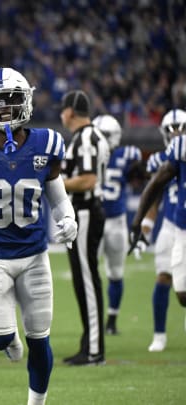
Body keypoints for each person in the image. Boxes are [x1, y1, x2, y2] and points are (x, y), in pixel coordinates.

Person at [0, 67, 77, 405]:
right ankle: (9, 341)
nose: (4, 107)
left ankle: (36, 402)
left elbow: (57, 195)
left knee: (40, 337)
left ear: (26, 102)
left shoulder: (46, 143)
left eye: (11, 99)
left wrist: (68, 217)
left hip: (34, 256)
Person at [59, 89, 110, 365]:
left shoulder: (87, 137)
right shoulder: (87, 136)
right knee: (83, 279)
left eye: (62, 109)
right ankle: (89, 342)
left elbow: (88, 180)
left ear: (70, 112)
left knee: (87, 280)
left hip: (87, 211)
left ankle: (94, 349)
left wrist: (55, 184)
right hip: (85, 211)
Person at [131, 108, 186, 352]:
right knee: (163, 276)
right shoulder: (159, 160)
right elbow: (155, 197)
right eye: (171, 129)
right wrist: (145, 229)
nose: (176, 133)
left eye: (180, 128)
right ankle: (159, 334)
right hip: (173, 223)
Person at [92, 114, 143, 335]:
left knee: (115, 272)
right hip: (95, 221)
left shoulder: (128, 155)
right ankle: (94, 319)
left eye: (104, 135)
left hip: (116, 221)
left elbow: (139, 176)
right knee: (90, 273)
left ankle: (111, 320)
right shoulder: (89, 155)